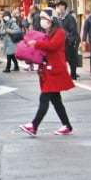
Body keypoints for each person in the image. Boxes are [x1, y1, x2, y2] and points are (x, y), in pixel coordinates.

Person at [19, 8, 75, 136]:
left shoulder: (59, 32)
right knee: (56, 101)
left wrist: (36, 43)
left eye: (45, 18)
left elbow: (52, 46)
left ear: (52, 19)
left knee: (44, 98)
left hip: (55, 70)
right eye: (42, 19)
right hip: (49, 70)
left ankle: (34, 126)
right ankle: (67, 125)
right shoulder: (48, 33)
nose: (43, 21)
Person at [56, 0, 81, 80]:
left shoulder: (69, 17)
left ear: (64, 7)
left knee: (71, 58)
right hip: (63, 41)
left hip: (70, 41)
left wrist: (69, 38)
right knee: (64, 58)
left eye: (60, 6)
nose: (58, 8)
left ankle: (73, 74)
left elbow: (73, 29)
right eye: (58, 6)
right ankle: (66, 73)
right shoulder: (59, 17)